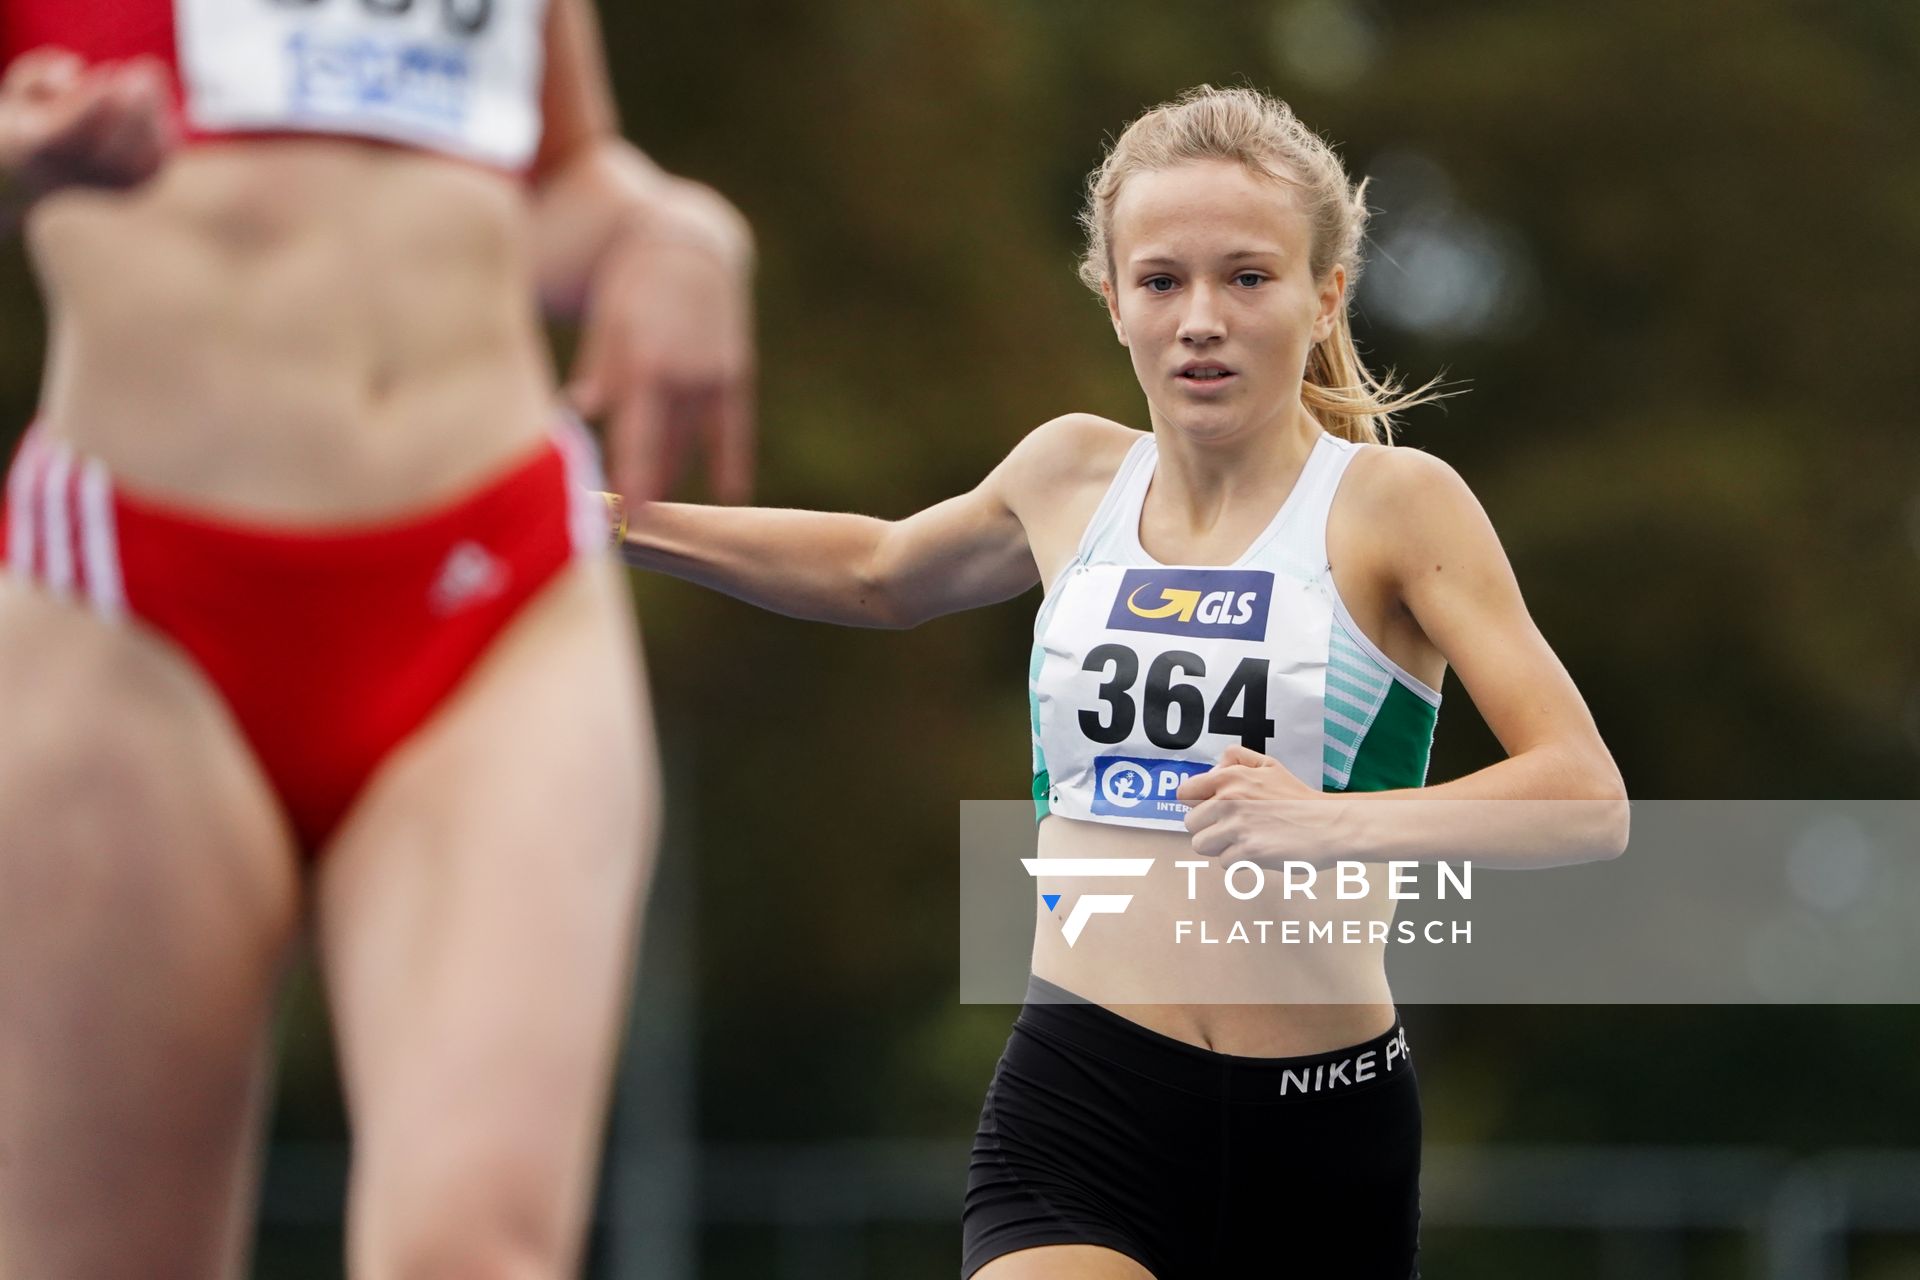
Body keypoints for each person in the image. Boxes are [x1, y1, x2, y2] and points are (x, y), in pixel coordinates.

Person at [618, 85, 1628, 1278]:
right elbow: (878, 568)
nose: (1201, 317)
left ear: (1325, 294)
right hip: (1083, 1089)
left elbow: (1585, 798)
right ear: (1112, 299)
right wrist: (610, 519)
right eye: (1161, 281)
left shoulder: (1395, 508)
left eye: (1248, 278)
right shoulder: (1068, 475)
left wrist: (1327, 823)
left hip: (1318, 1121)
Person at [0, 0, 753, 1275]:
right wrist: (25, 161)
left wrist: (676, 232)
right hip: (136, 608)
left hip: (495, 593)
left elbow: (556, 173)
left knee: (477, 1249)